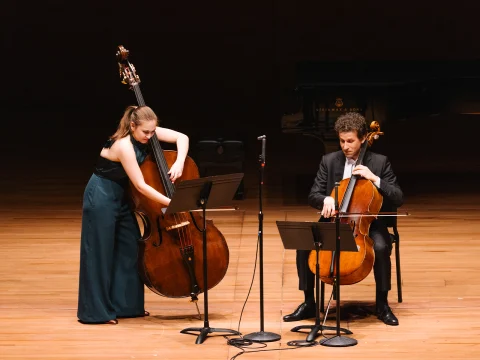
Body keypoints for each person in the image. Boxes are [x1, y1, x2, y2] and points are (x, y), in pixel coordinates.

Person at [283, 112, 403, 326]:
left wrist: (375, 178)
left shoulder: (379, 162)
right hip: (334, 221)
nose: (345, 146)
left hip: (367, 223)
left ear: (364, 138)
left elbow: (398, 196)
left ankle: (382, 304)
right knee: (303, 244)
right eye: (341, 141)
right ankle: (309, 302)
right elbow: (313, 195)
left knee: (382, 247)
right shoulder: (329, 161)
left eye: (350, 141)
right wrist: (326, 199)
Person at [77, 105, 189, 325]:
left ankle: (127, 306)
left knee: (130, 247)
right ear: (132, 126)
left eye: (153, 131)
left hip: (121, 196)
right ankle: (95, 313)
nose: (150, 136)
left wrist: (179, 161)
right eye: (145, 132)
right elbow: (140, 185)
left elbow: (182, 137)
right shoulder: (123, 146)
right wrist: (174, 203)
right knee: (99, 253)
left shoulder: (149, 133)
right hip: (101, 196)